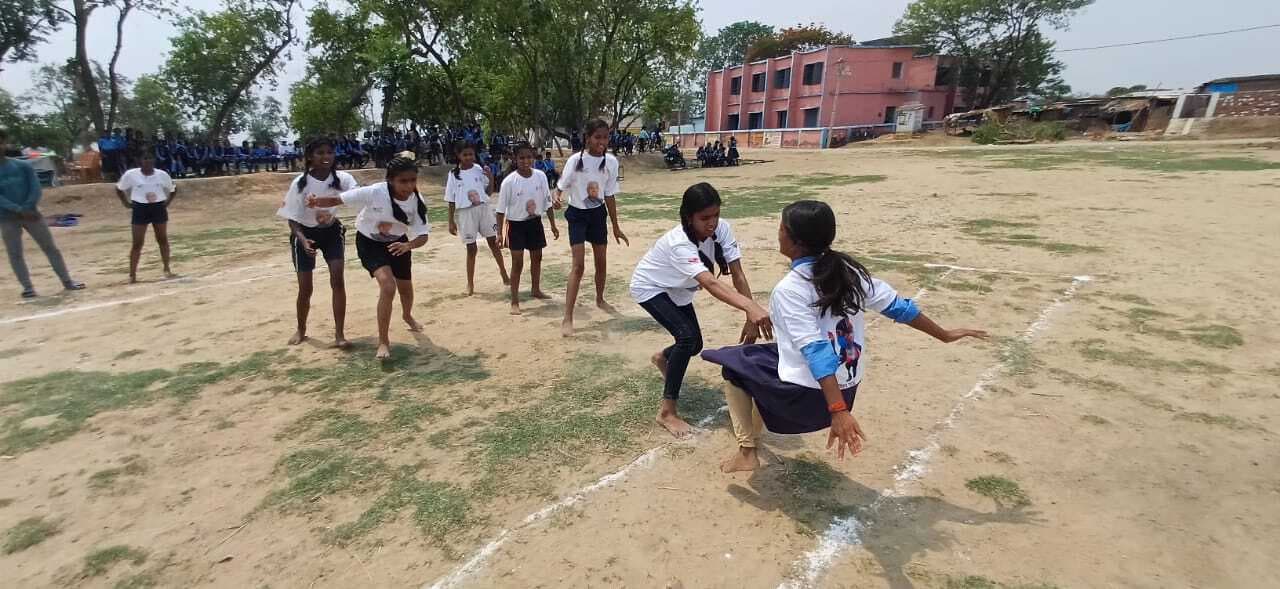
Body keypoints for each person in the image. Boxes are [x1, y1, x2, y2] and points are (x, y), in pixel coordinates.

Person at [701, 200, 989, 472]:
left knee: (732, 367)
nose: (778, 233)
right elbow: (900, 308)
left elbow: (817, 351)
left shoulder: (790, 289)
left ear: (795, 240)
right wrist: (945, 334)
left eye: (781, 228)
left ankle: (747, 452)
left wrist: (837, 411)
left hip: (812, 399)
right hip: (847, 388)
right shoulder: (848, 270)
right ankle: (755, 435)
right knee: (757, 357)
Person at [631, 182, 771, 438]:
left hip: (678, 288)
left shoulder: (723, 229)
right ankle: (667, 413)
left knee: (693, 344)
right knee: (686, 339)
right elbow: (710, 283)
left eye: (716, 215)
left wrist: (749, 316)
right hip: (651, 287)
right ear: (688, 217)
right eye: (704, 218)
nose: (712, 223)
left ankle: (662, 358)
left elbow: (737, 273)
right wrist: (751, 307)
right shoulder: (678, 243)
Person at [307, 152, 430, 361]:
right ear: (390, 180)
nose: (408, 186)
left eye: (412, 180)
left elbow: (423, 235)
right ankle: (383, 341)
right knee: (388, 286)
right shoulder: (375, 192)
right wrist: (316, 201)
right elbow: (340, 199)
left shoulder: (417, 201)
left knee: (406, 290)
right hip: (369, 243)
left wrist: (408, 245)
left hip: (399, 244)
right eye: (403, 181)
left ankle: (407, 315)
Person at [277, 137, 358, 348]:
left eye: (330, 152)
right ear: (310, 157)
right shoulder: (300, 184)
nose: (326, 157)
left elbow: (359, 195)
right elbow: (292, 220)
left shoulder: (343, 179)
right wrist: (303, 241)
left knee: (337, 279)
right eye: (320, 153)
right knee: (305, 288)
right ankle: (301, 329)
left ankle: (340, 334)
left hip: (331, 233)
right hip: (305, 235)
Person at [554, 118, 629, 336]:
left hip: (597, 215)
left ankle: (599, 298)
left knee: (601, 261)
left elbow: (609, 195)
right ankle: (567, 317)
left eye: (605, 137)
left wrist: (615, 225)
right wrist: (556, 198)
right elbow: (560, 188)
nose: (602, 141)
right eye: (597, 137)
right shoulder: (575, 161)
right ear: (588, 138)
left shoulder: (611, 163)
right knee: (578, 266)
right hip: (577, 215)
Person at [0, 128, 86, 298]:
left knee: (50, 248)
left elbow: (35, 188)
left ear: (4, 143)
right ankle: (28, 288)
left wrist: (28, 207)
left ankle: (67, 281)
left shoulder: (22, 165)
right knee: (15, 253)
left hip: (32, 214)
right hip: (7, 218)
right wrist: (19, 210)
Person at [496, 143, 559, 315]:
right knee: (517, 262)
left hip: (535, 222)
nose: (526, 160)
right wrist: (499, 233)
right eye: (522, 157)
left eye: (529, 157)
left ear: (533, 157)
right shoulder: (509, 182)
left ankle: (535, 289)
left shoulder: (540, 176)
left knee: (537, 257)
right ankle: (514, 301)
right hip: (515, 225)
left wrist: (553, 225)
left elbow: (547, 202)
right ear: (515, 159)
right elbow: (500, 210)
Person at [445, 141, 510, 296]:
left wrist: (491, 177)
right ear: (458, 156)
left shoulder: (478, 170)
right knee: (471, 248)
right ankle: (470, 282)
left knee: (493, 243)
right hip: (466, 213)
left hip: (483, 209)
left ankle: (504, 273)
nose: (468, 157)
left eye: (471, 154)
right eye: (465, 154)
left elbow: (488, 192)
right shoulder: (454, 174)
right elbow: (451, 199)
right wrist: (451, 221)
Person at [116, 149, 178, 283]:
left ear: (154, 160)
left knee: (162, 239)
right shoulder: (131, 174)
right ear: (140, 161)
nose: (148, 161)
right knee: (137, 243)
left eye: (150, 158)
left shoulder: (162, 174)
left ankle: (167, 268)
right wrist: (126, 203)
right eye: (145, 158)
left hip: (158, 207)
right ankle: (132, 274)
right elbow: (119, 188)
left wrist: (167, 203)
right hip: (140, 208)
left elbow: (173, 189)